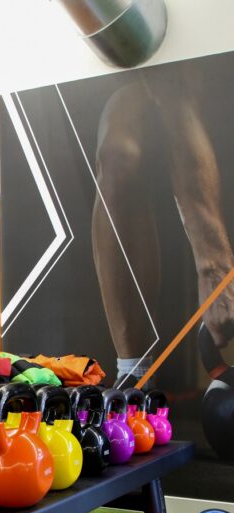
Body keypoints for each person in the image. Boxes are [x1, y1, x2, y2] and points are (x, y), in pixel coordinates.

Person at [91, 64, 234, 387]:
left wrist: (215, 267)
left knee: (177, 94)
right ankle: (135, 374)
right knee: (118, 154)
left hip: (206, 74)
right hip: (133, 70)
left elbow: (177, 96)